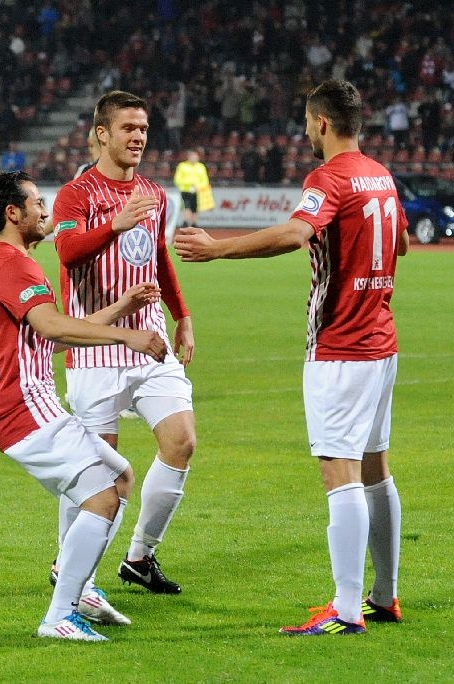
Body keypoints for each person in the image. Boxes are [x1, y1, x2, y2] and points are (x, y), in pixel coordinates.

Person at [174, 79, 408, 635]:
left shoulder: (328, 177)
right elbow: (399, 244)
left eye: (307, 123)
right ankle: (384, 595)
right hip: (381, 341)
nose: (305, 132)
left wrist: (217, 249)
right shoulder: (380, 174)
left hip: (341, 346)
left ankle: (346, 611)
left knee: (339, 473)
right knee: (375, 468)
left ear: (322, 123)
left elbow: (296, 234)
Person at [0, 170, 167, 641]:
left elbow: (49, 337)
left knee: (120, 477)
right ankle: (60, 615)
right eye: (37, 202)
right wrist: (127, 336)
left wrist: (120, 308)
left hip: (24, 403)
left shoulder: (3, 263)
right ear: (12, 213)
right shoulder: (14, 266)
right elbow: (54, 328)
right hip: (22, 407)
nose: (46, 210)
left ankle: (80, 590)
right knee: (102, 497)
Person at [51, 90, 197, 596]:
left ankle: (139, 556)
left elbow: (158, 256)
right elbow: (68, 252)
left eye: (143, 129)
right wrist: (115, 225)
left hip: (150, 341)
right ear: (102, 134)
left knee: (181, 441)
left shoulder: (154, 194)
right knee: (96, 470)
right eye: (128, 128)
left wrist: (182, 316)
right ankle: (69, 564)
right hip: (95, 346)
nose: (138, 137)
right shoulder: (77, 195)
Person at [173, 148, 210, 227]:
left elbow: (205, 180)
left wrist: (198, 187)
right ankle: (186, 222)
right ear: (189, 157)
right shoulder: (182, 166)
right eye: (192, 157)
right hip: (185, 191)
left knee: (195, 207)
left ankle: (194, 223)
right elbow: (177, 179)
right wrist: (190, 184)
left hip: (198, 191)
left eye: (195, 157)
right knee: (186, 206)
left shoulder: (201, 167)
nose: (194, 158)